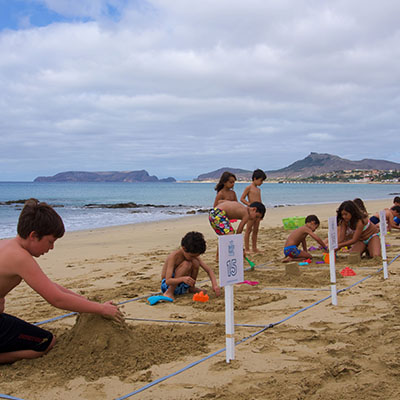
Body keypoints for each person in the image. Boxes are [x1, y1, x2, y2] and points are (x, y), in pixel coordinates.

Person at [0, 199, 123, 364]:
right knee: (45, 342)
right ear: (33, 236)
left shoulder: (7, 245)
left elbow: (50, 286)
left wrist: (87, 304)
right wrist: (102, 309)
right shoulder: (20, 257)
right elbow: (56, 299)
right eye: (50, 241)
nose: (51, 248)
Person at [161, 231, 221, 300]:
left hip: (183, 286)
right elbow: (168, 281)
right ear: (184, 248)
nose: (194, 258)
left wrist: (214, 285)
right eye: (192, 256)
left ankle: (191, 288)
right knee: (187, 264)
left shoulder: (193, 256)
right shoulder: (174, 257)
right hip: (167, 286)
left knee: (195, 262)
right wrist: (182, 279)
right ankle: (169, 293)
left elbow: (209, 270)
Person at [240, 169, 267, 253]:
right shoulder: (249, 188)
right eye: (261, 180)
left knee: (256, 230)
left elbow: (260, 201)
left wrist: (262, 211)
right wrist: (249, 205)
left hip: (258, 212)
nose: (261, 183)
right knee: (248, 230)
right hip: (251, 212)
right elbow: (242, 198)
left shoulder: (258, 190)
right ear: (255, 178)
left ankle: (254, 248)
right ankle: (247, 248)